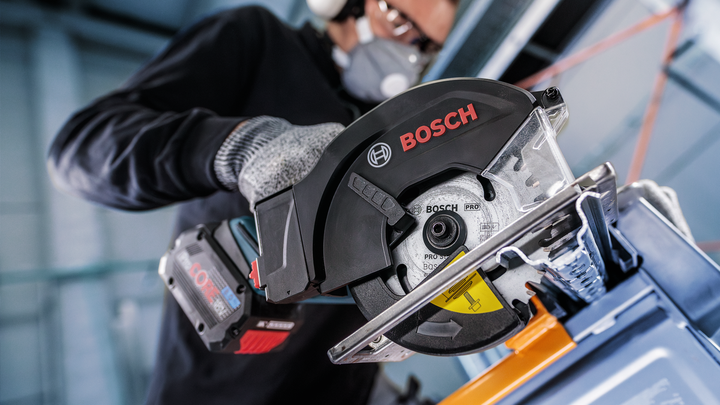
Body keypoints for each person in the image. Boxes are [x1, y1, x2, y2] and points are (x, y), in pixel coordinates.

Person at [47, 0, 458, 403]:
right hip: (214, 393)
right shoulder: (260, 42)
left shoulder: (395, 128)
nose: (409, 53)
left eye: (426, 46)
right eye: (400, 23)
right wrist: (242, 147)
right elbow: (81, 148)